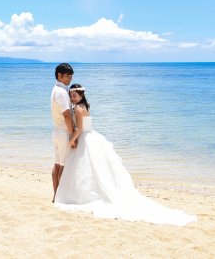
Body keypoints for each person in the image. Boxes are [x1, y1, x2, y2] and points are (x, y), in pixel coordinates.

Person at [55, 84, 197, 226]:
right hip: (90, 136)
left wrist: (72, 139)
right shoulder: (82, 106)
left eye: (74, 96)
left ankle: (82, 196)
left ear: (81, 96)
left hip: (85, 137)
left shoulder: (79, 108)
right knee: (90, 168)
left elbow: (80, 128)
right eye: (71, 96)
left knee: (85, 168)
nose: (72, 98)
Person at [50, 63, 75, 202]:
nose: (70, 79)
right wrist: (72, 136)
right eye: (67, 76)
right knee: (64, 166)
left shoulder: (55, 90)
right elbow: (67, 115)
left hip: (56, 131)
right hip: (64, 132)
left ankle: (56, 195)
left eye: (71, 76)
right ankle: (60, 197)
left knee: (58, 165)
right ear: (59, 75)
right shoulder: (61, 92)